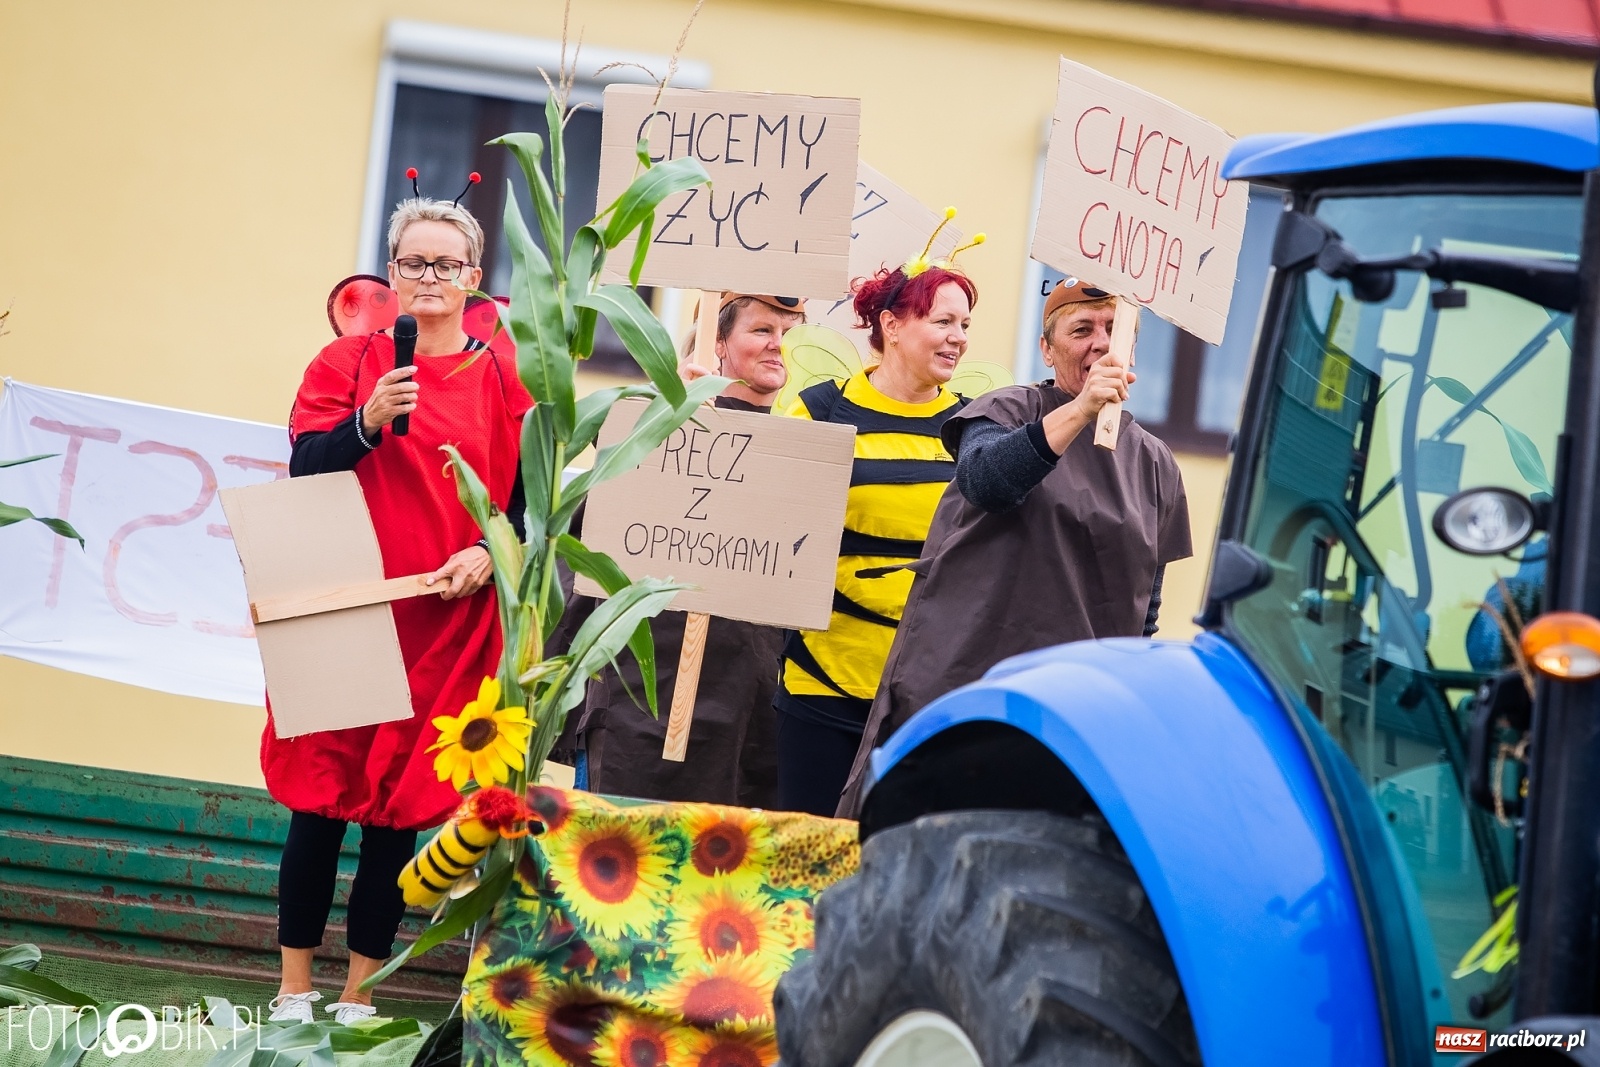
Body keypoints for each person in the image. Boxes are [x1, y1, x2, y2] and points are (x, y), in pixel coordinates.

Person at [264, 195, 531, 1024]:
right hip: (343, 607)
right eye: (413, 262)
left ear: (474, 278)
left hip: (441, 618)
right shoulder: (345, 361)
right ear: (391, 271)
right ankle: (294, 985)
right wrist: (367, 423)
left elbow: (519, 509)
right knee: (320, 803)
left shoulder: (499, 374)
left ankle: (357, 994)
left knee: (395, 816)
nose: (428, 277)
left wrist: (488, 553)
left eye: (445, 265)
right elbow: (307, 466)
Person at [837, 278, 1192, 816]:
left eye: (1116, 331)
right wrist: (1080, 412)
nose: (1101, 344)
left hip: (1070, 718)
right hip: (965, 699)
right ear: (1047, 349)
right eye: (1082, 330)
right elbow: (987, 483)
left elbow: (1146, 612)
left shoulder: (1155, 462)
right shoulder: (1004, 409)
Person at [553, 293, 806, 806]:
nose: (779, 345)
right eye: (762, 331)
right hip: (637, 687)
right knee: (610, 862)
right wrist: (669, 411)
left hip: (744, 695)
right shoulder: (655, 423)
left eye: (788, 332)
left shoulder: (801, 454)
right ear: (718, 342)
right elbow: (589, 518)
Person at [775, 263, 978, 816]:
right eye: (944, 321)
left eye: (965, 323)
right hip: (823, 683)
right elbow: (771, 528)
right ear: (891, 324)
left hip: (925, 696)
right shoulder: (818, 411)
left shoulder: (974, 427)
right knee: (809, 870)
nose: (959, 337)